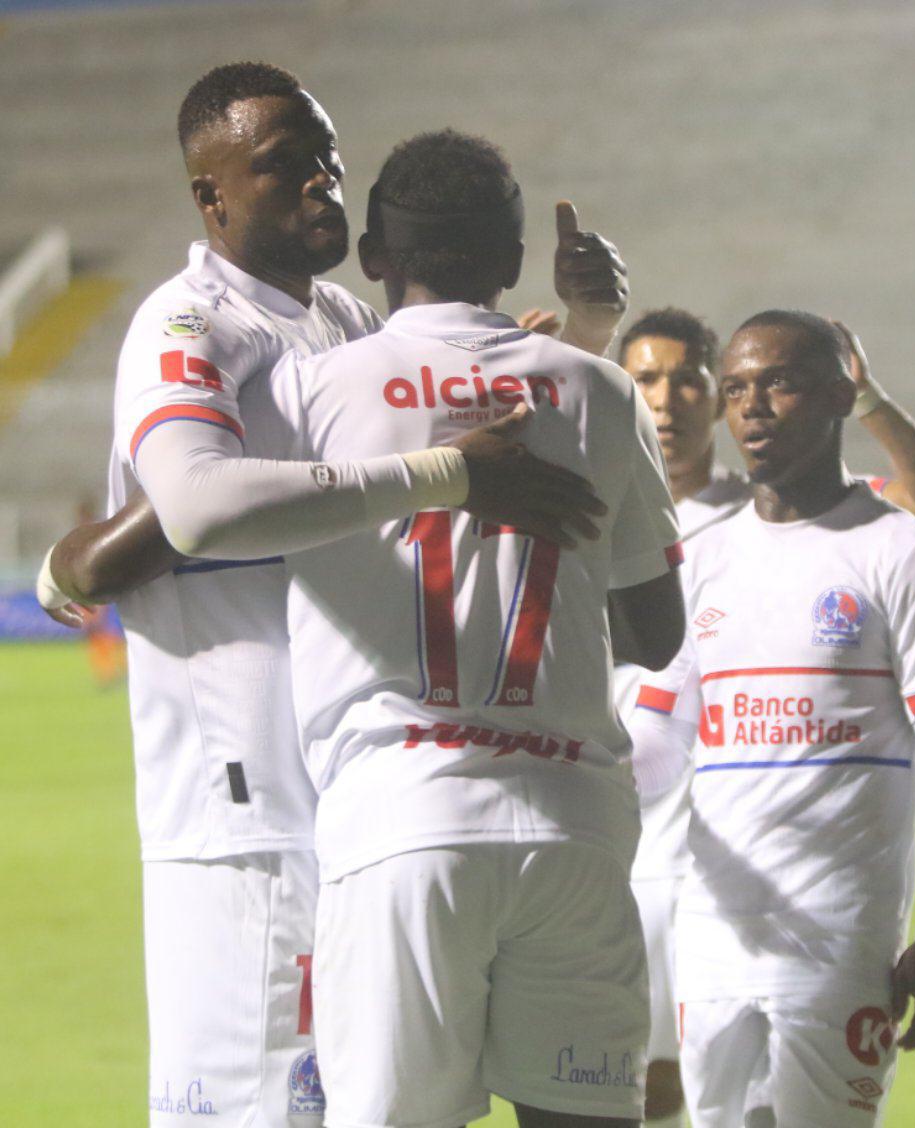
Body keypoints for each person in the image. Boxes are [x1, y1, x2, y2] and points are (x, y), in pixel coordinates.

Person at [36, 62, 627, 1128]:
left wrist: (579, 337)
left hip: (364, 808)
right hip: (243, 813)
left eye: (329, 161)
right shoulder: (189, 325)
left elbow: (476, 429)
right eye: (282, 167)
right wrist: (451, 473)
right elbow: (196, 504)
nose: (320, 182)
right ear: (211, 197)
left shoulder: (345, 324)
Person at [256, 127, 684, 1128]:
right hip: (573, 824)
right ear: (511, 261)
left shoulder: (312, 390)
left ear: (372, 259)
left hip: (401, 826)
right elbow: (657, 633)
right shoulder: (603, 390)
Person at [613, 306, 915, 1128]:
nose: (753, 406)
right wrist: (577, 789)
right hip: (709, 923)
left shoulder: (905, 551)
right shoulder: (699, 558)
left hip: (839, 932)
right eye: (740, 388)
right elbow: (664, 732)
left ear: (841, 395)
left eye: (779, 383)